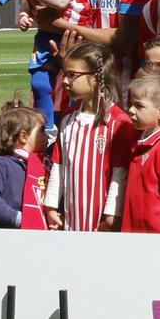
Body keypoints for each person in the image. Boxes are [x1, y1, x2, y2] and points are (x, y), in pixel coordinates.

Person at [46, 44, 131, 233]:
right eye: (64, 74)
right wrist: (51, 206)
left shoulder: (118, 122)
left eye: (72, 75)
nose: (66, 81)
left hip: (103, 223)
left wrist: (111, 216)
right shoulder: (68, 120)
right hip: (71, 219)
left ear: (96, 77)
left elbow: (120, 173)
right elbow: (58, 166)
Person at [119, 69, 160, 234]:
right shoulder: (139, 142)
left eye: (139, 105)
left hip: (156, 239)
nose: (131, 110)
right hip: (132, 235)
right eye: (132, 104)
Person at [0, 106, 49, 231]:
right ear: (24, 136)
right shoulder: (1, 164)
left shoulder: (43, 163)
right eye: (42, 130)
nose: (48, 136)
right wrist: (18, 218)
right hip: (7, 234)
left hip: (38, 231)